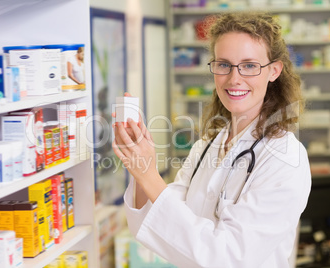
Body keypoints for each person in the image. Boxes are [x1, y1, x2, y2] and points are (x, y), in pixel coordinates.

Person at [112, 11, 311, 268]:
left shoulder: (285, 158)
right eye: (224, 64)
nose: (234, 78)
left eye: (249, 65)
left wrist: (150, 175)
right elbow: (153, 225)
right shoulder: (206, 147)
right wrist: (140, 170)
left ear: (273, 71)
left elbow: (229, 257)